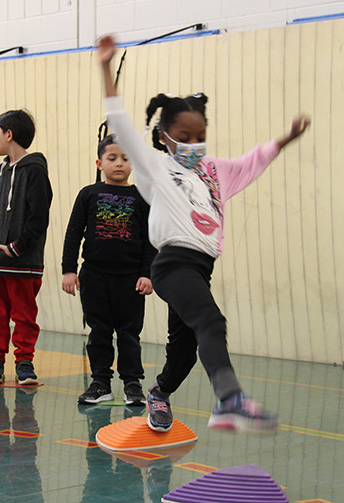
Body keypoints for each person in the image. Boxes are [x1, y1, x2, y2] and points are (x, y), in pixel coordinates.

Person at [97, 35, 310, 432]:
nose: (194, 144)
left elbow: (252, 160)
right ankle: (229, 400)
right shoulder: (154, 168)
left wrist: (285, 139)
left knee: (187, 347)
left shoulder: (214, 171)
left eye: (200, 137)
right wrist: (106, 66)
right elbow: (121, 123)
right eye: (185, 136)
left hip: (200, 269)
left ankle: (158, 394)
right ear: (164, 137)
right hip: (172, 262)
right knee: (212, 321)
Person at [62, 134, 156, 406]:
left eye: (126, 158)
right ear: (99, 162)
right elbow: (73, 234)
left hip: (130, 279)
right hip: (94, 276)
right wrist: (69, 270)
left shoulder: (141, 197)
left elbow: (151, 239)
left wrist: (148, 273)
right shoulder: (89, 194)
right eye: (112, 158)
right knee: (99, 330)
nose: (119, 164)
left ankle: (132, 383)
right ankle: (101, 382)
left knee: (129, 333)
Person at [0, 110, 53, 385]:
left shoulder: (35, 170)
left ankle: (24, 363)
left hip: (23, 262)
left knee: (24, 316)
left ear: (9, 134)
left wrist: (17, 247)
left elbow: (39, 217)